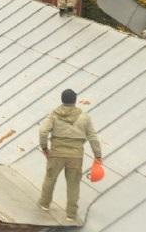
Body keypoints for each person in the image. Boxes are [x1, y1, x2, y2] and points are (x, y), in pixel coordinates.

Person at [38, 88, 102, 222]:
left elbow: (43, 132)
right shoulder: (84, 117)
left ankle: (44, 204)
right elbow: (92, 137)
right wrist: (98, 156)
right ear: (75, 100)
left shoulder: (54, 116)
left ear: (62, 99)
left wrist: (45, 148)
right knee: (73, 184)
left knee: (50, 178)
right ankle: (71, 215)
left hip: (56, 153)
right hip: (75, 156)